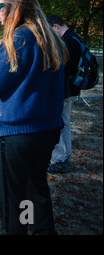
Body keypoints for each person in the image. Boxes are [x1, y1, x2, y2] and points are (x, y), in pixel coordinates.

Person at [0, 0, 68, 235]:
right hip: (46, 129)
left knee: (13, 200)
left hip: (18, 132)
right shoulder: (47, 35)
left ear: (14, 7)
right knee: (36, 191)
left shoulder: (18, 37)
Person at [47, 15, 82, 173]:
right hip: (73, 89)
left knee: (58, 123)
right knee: (65, 122)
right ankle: (65, 155)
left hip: (63, 90)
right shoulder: (76, 38)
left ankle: (59, 159)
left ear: (55, 26)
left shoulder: (65, 42)